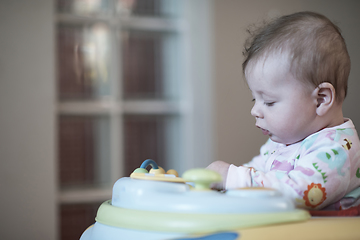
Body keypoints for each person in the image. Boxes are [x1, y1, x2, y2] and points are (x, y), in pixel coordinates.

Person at [207, 11, 360, 210]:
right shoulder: (284, 141)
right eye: (255, 99)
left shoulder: (337, 151)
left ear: (321, 99)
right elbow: (258, 170)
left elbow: (295, 194)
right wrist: (223, 183)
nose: (255, 110)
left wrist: (234, 178)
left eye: (269, 102)